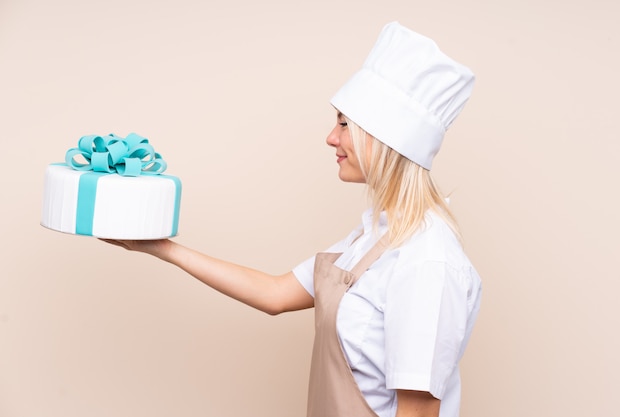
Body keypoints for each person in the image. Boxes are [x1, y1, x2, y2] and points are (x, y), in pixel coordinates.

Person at [104, 21, 482, 417]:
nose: (330, 138)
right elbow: (275, 293)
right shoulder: (375, 236)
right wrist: (161, 249)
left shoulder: (426, 261)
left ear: (385, 138)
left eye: (343, 124)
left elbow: (418, 412)